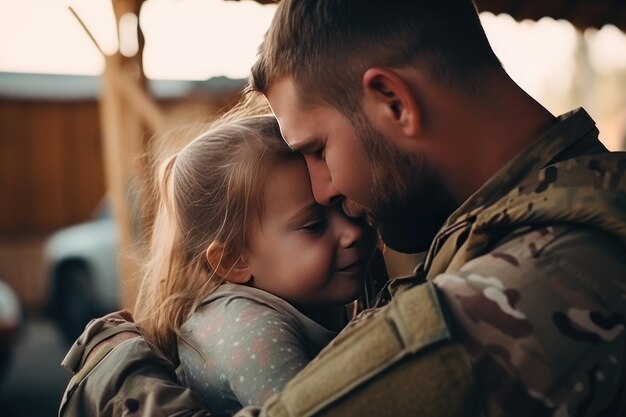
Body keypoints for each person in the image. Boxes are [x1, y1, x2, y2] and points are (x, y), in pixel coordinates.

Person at [60, 1, 626, 416]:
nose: (323, 188)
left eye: (317, 150)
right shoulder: (543, 208)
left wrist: (112, 359)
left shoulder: (519, 293)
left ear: (393, 102)